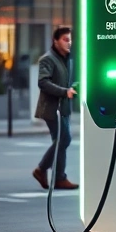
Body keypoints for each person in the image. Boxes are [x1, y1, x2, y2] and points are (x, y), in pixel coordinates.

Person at [32, 27, 79, 190]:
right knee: (63, 139)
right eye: (65, 39)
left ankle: (57, 176)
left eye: (70, 40)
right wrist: (64, 92)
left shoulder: (67, 59)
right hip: (52, 108)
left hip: (63, 107)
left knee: (61, 140)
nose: (69, 43)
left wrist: (73, 88)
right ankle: (44, 170)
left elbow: (66, 81)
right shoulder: (48, 59)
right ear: (55, 41)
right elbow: (43, 82)